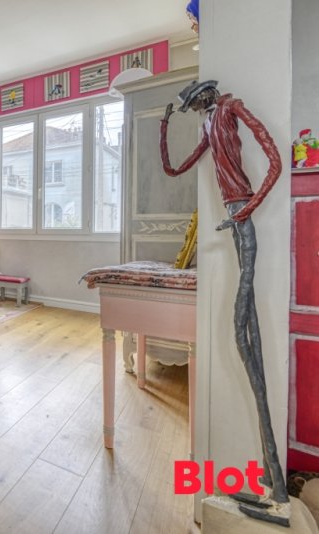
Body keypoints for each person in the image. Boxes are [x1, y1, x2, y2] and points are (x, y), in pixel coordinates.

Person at [160, 80, 289, 526]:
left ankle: (278, 488)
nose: (195, 108)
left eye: (195, 102)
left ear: (207, 94)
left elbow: (275, 160)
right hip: (234, 217)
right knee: (241, 328)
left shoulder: (232, 107)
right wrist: (163, 127)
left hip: (240, 214)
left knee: (242, 328)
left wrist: (247, 208)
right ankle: (273, 482)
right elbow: (174, 169)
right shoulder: (208, 123)